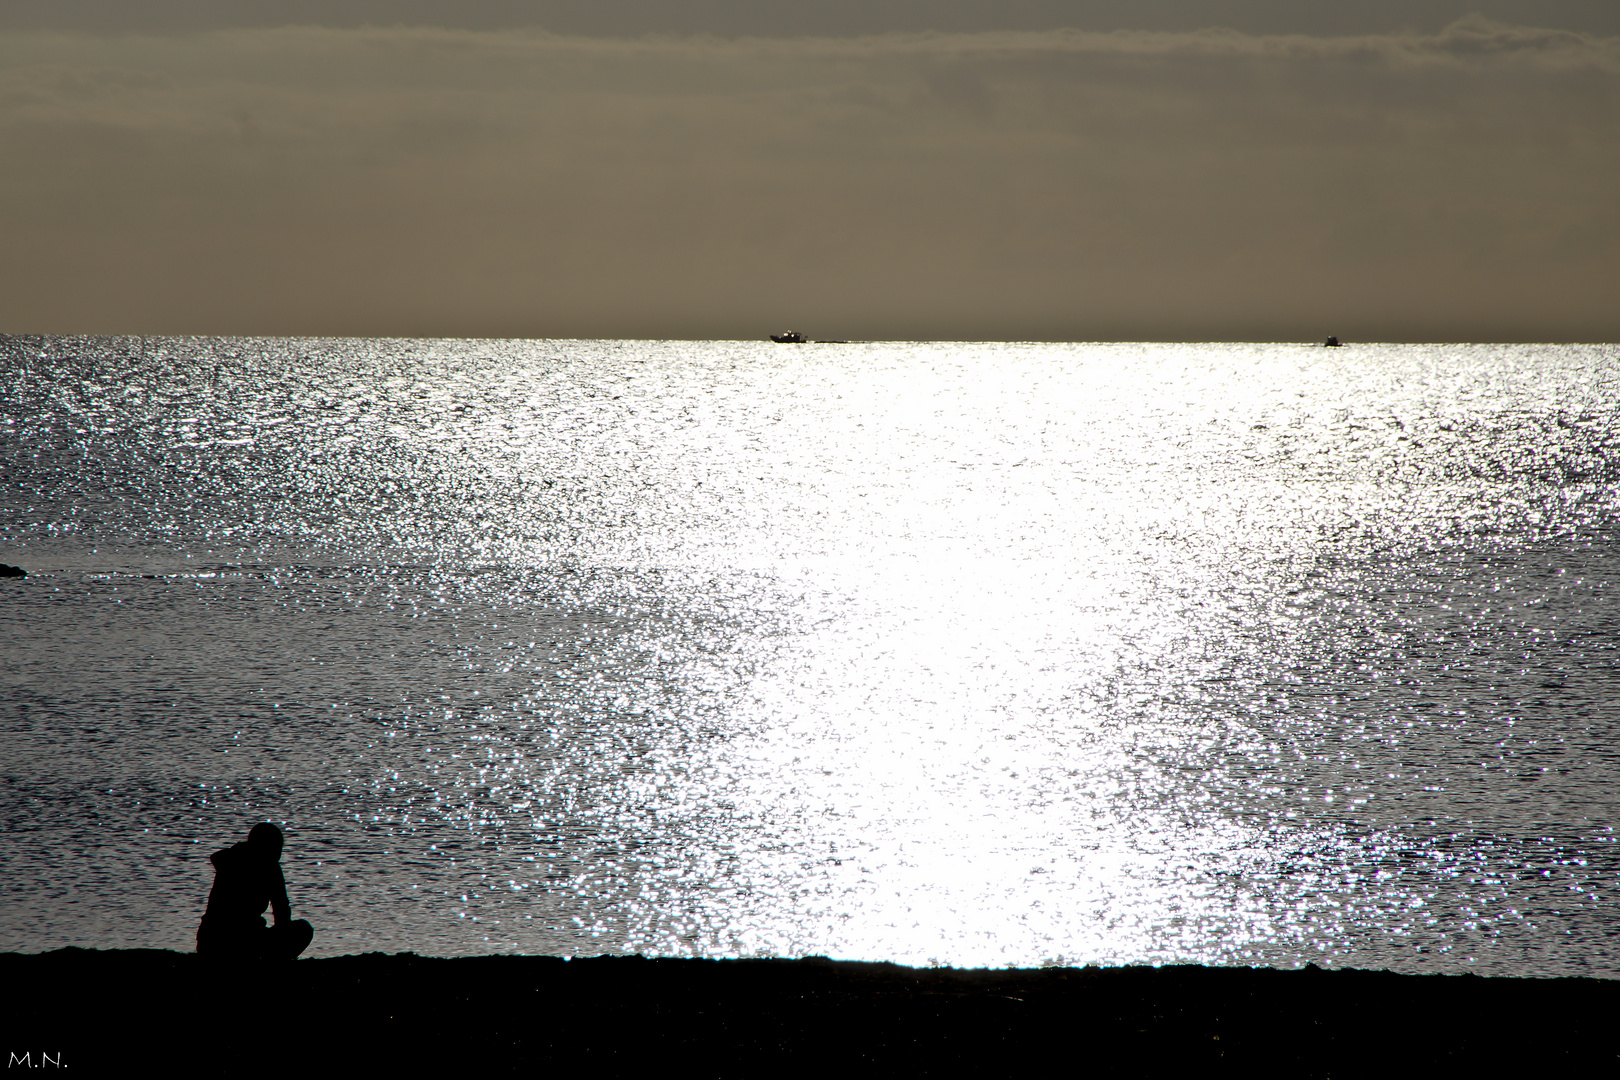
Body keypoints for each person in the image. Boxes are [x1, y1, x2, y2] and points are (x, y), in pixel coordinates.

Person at [196, 823, 314, 960]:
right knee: (304, 929)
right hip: (241, 940)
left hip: (209, 939)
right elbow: (281, 911)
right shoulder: (270, 868)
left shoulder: (230, 860)